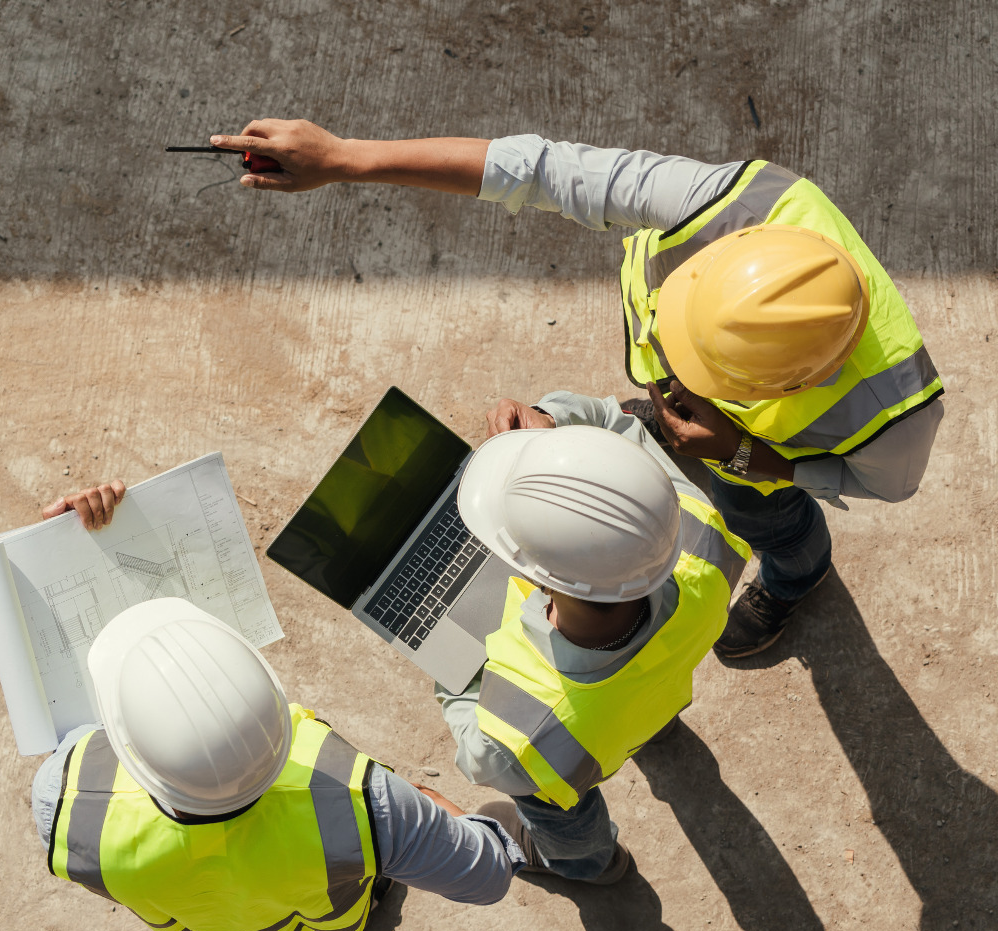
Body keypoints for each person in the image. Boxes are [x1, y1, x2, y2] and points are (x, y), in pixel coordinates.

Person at [207, 120, 944, 657]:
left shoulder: (899, 418)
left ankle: (797, 575)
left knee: (770, 523)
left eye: (699, 371)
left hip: (756, 462)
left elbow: (878, 486)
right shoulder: (726, 204)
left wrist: (751, 459)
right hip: (723, 435)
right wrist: (345, 158)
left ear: (795, 380)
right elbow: (539, 169)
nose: (670, 375)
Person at [32, 483, 524, 931]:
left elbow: (70, 723)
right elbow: (486, 874)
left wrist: (58, 550)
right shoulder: (367, 803)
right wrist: (421, 808)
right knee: (333, 919)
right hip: (329, 910)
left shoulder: (63, 801)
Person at [437, 399, 750, 882]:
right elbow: (615, 427)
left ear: (526, 574)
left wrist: (446, 658)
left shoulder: (518, 741)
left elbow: (479, 752)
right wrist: (552, 421)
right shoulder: (702, 535)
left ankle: (588, 864)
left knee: (558, 811)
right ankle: (654, 731)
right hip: (645, 696)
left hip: (572, 751)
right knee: (640, 704)